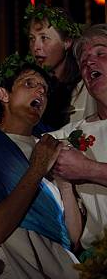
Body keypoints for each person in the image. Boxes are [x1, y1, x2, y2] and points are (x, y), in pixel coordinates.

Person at [0, 53, 85, 279]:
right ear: (3, 94)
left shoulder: (52, 146)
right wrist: (37, 168)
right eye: (29, 83)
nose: (40, 90)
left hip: (70, 275)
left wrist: (64, 185)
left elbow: (71, 237)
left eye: (44, 89)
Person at [49, 24, 107, 253]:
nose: (88, 62)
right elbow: (21, 146)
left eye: (101, 53)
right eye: (83, 61)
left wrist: (88, 169)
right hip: (96, 268)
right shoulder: (72, 134)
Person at [25, 3, 97, 130]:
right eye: (32, 39)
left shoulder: (86, 86)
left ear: (67, 42)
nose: (35, 47)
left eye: (44, 38)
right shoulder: (31, 88)